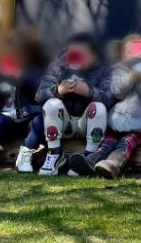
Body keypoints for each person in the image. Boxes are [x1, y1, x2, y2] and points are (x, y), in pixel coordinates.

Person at [68, 34, 141, 179]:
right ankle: (89, 162)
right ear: (123, 56)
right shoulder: (118, 70)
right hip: (116, 121)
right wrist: (131, 77)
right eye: (133, 53)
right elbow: (117, 92)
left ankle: (112, 165)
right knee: (107, 142)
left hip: (140, 124)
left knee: (126, 144)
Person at [34, 32, 113, 176]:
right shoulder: (58, 66)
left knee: (99, 107)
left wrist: (89, 92)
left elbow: (110, 99)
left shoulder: (102, 69)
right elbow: (40, 95)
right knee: (51, 104)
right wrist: (58, 90)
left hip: (87, 123)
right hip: (64, 123)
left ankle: (89, 157)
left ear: (93, 55)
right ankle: (55, 154)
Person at [0, 28, 48, 171]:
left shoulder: (39, 68)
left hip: (30, 115)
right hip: (6, 117)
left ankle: (25, 155)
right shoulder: (0, 67)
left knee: (40, 121)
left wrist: (21, 77)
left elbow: (42, 90)